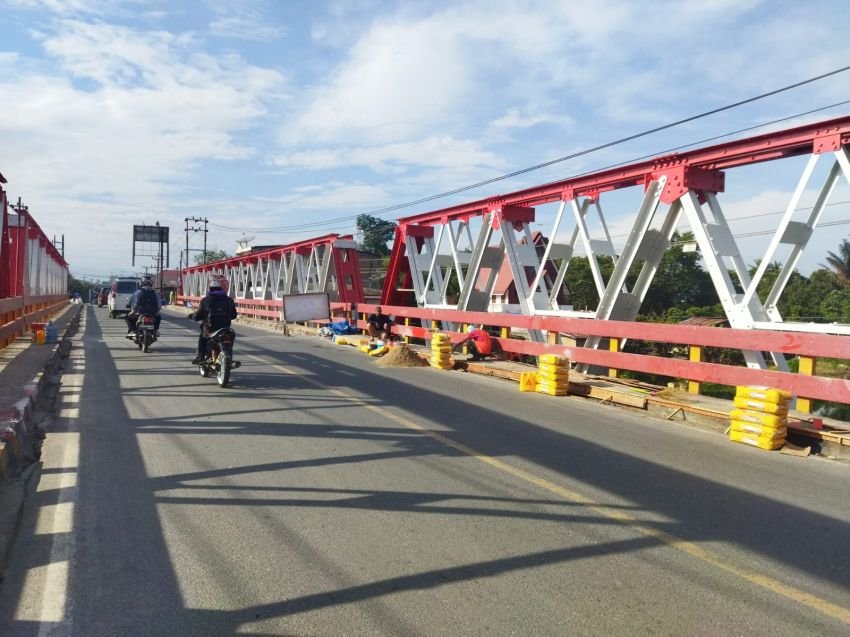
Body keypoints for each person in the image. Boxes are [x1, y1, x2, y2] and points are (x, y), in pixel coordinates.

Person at [189, 275, 237, 364]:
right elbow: (234, 315)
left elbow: (198, 315)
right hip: (225, 329)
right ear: (225, 287)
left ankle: (201, 356)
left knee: (202, 337)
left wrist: (193, 316)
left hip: (210, 330)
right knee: (229, 341)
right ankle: (229, 359)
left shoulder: (206, 300)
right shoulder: (229, 300)